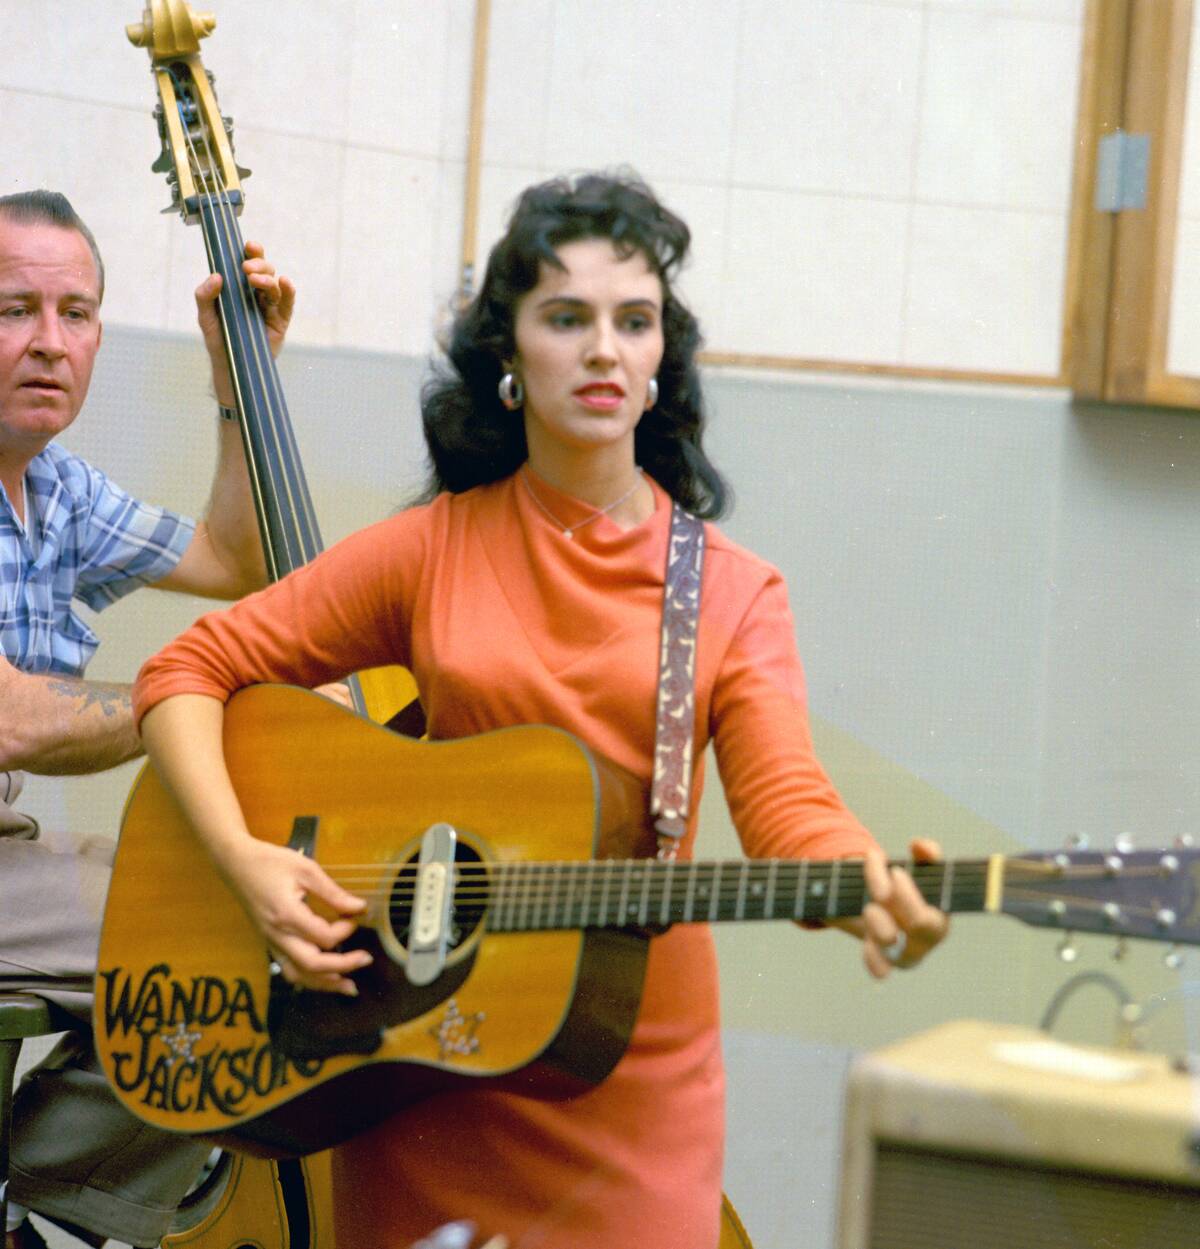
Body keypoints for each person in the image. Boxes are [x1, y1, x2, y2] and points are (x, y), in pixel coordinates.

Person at [132, 171, 950, 1249]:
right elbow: (185, 669)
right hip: (427, 1062)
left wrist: (864, 880)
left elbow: (790, 806)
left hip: (627, 1070)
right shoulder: (430, 548)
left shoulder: (735, 591)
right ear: (509, 357)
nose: (604, 348)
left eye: (634, 321)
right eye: (566, 318)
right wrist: (245, 858)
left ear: (662, 360)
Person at [0, 189, 293, 1249]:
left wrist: (239, 379)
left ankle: (27, 1188)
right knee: (227, 946)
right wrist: (191, 695)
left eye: (75, 313)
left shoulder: (56, 488)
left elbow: (240, 557)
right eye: (12, 310)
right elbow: (15, 722)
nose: (48, 342)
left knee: (257, 934)